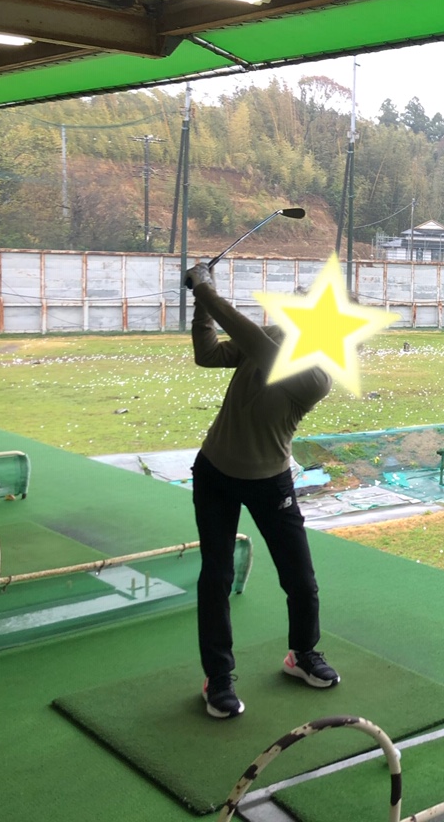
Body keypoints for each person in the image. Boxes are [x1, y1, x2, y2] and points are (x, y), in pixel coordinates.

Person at [184, 262, 340, 719]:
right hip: (214, 472)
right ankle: (218, 677)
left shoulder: (316, 376)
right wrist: (202, 306)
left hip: (270, 482)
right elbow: (207, 354)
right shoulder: (271, 337)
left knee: (300, 578)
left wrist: (205, 289)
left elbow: (254, 343)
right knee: (216, 577)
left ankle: (302, 654)